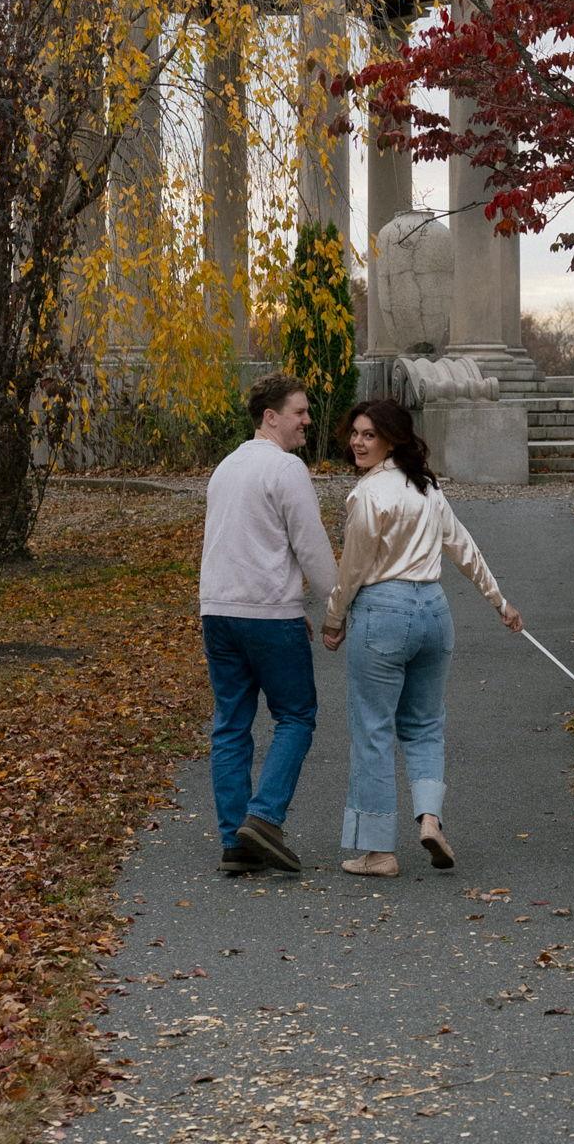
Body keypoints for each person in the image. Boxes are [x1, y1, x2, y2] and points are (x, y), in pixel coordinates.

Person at [321, 398, 522, 878]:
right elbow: (463, 548)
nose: (357, 442)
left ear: (392, 439)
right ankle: (429, 819)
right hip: (434, 611)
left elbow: (353, 568)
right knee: (426, 725)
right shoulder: (427, 488)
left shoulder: (369, 495)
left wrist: (333, 617)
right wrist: (500, 602)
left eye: (369, 435)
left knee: (373, 728)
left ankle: (378, 851)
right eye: (355, 433)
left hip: (383, 613)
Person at [199, 371, 338, 877]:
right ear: (270, 417)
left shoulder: (226, 468)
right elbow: (311, 546)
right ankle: (263, 817)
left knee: (231, 725)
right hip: (267, 616)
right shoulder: (285, 468)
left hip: (218, 611)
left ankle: (235, 842)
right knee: (296, 716)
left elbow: (233, 542)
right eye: (300, 412)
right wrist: (337, 606)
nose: (307, 420)